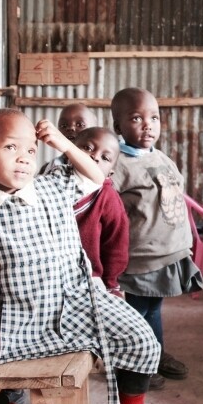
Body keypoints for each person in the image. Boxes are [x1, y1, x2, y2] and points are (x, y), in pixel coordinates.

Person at [0, 109, 160, 404]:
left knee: (142, 340)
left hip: (77, 301)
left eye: (30, 151)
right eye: (11, 148)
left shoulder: (53, 184)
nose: (24, 159)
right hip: (11, 311)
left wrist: (61, 142)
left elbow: (95, 176)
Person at [111, 87, 203, 391]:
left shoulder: (161, 157)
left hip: (169, 254)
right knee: (135, 315)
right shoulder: (119, 164)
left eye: (154, 117)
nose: (148, 124)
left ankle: (157, 353)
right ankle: (136, 365)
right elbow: (107, 209)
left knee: (153, 309)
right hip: (140, 259)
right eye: (136, 118)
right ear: (118, 127)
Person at [73, 127, 129, 297]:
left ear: (110, 172)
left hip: (90, 278)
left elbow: (115, 244)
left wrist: (111, 284)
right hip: (51, 275)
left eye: (105, 158)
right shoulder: (51, 184)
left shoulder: (107, 197)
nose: (95, 157)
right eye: (88, 148)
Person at [40, 103, 99, 174]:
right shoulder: (49, 168)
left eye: (80, 125)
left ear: (95, 131)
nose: (70, 128)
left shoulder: (97, 165)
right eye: (63, 125)